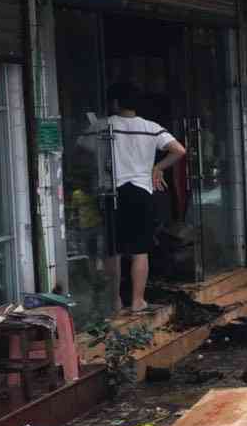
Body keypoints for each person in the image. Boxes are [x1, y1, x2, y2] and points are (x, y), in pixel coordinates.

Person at [79, 82, 186, 313]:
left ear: (115, 103)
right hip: (141, 191)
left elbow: (82, 147)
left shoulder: (103, 125)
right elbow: (179, 150)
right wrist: (158, 167)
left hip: (113, 192)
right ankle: (138, 301)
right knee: (140, 249)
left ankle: (115, 301)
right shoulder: (151, 127)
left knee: (114, 248)